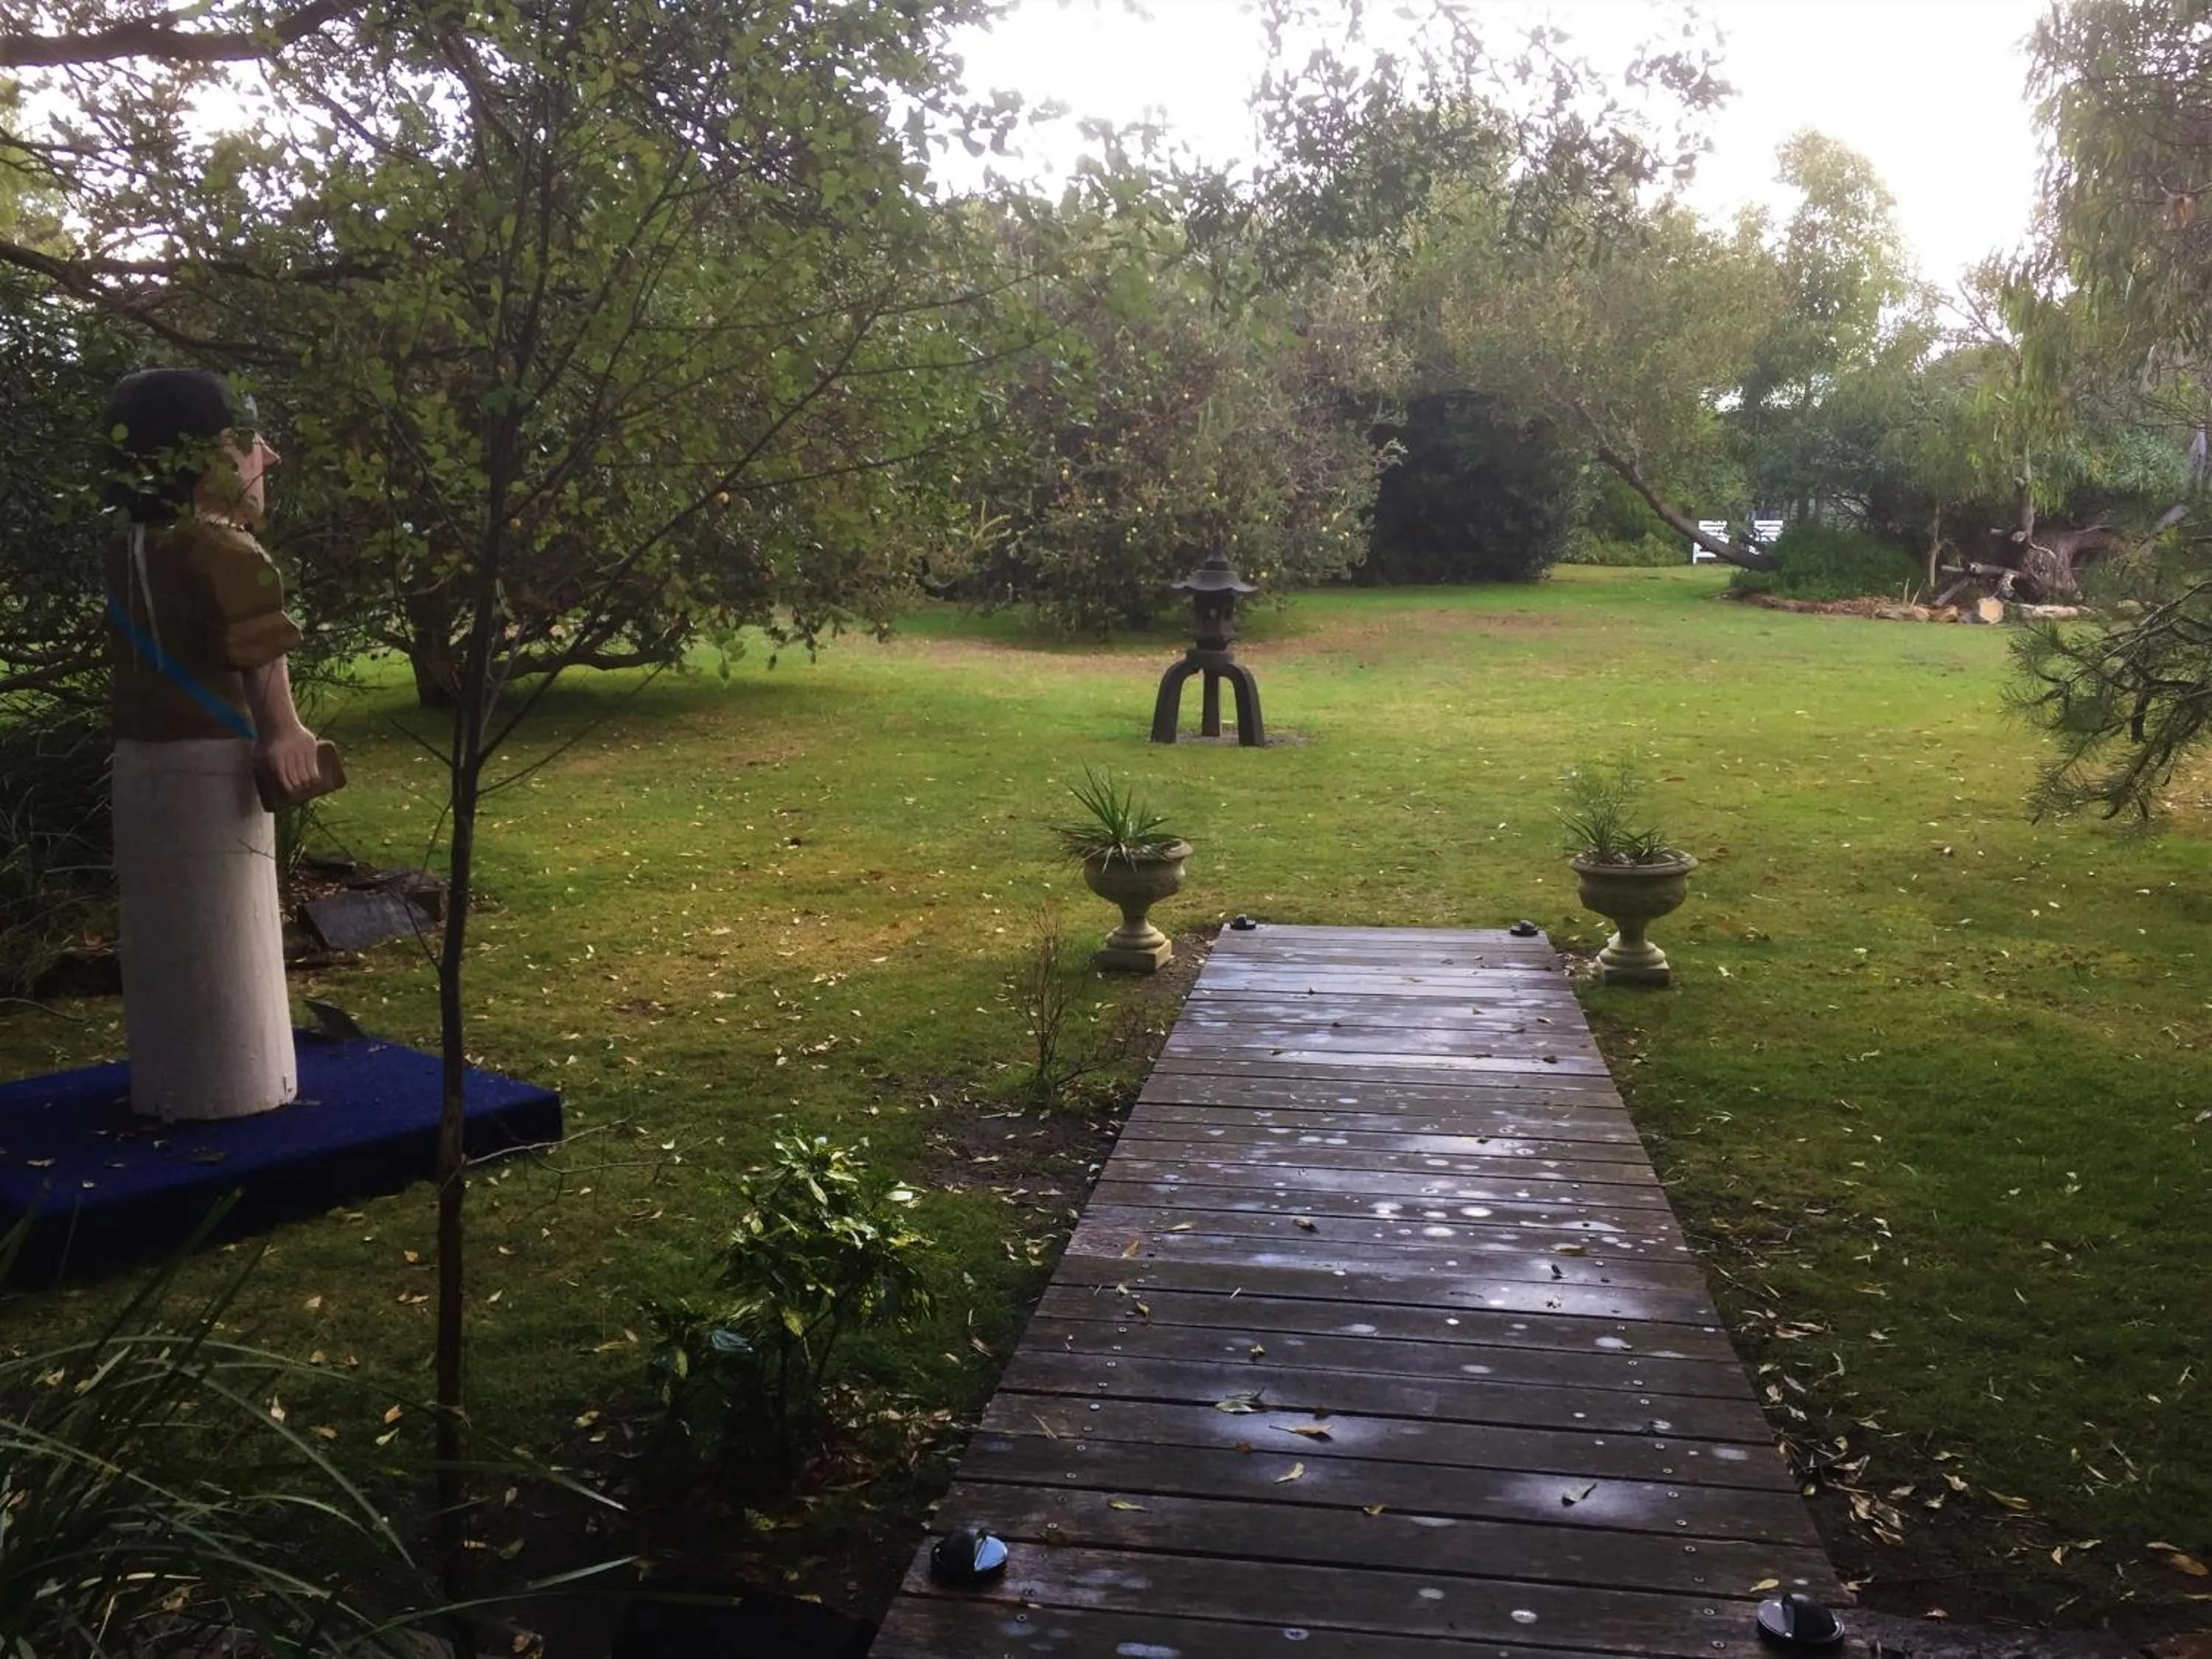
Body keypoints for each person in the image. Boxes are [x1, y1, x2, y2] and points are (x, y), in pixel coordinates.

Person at [102, 369, 342, 1120]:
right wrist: (286, 732)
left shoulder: (126, 543)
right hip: (214, 766)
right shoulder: (227, 552)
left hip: (141, 761)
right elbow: (259, 648)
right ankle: (238, 1088)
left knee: (170, 938)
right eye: (247, 443)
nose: (267, 457)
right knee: (227, 939)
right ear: (204, 457)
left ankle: (177, 1081)